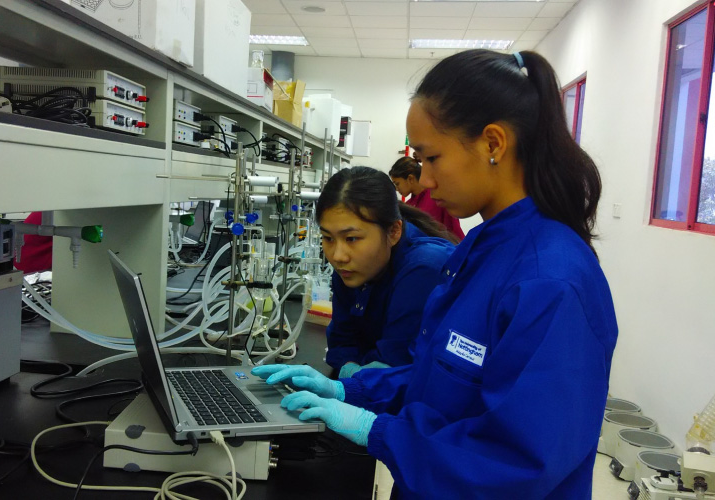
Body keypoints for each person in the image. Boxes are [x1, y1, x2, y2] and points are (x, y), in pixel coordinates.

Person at [253, 50, 617, 499]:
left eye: (431, 158)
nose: (423, 181)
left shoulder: (550, 281)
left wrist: (377, 430)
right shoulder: (485, 248)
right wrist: (349, 391)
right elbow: (442, 378)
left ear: (493, 144)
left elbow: (517, 463)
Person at [316, 166, 456, 379]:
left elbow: (392, 365)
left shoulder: (424, 267)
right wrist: (352, 369)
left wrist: (355, 375)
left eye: (351, 238)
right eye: (328, 238)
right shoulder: (350, 268)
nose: (337, 255)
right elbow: (340, 343)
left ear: (393, 232)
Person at [389, 156, 465, 241]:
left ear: (410, 178)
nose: (396, 188)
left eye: (397, 183)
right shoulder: (408, 205)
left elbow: (455, 232)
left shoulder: (438, 198)